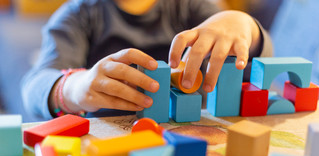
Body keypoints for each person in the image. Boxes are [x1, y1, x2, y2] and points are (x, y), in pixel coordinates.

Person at [21, 0, 273, 120]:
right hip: (109, 137)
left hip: (190, 129)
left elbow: (254, 65)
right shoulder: (78, 15)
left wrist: (246, 27)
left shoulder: (191, 7)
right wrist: (74, 87)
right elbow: (35, 85)